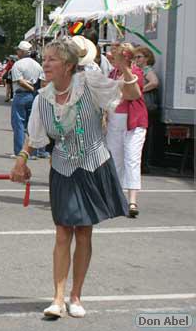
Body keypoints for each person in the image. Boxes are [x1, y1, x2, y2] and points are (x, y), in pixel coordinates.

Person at [10, 38, 141, 319]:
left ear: (68, 65)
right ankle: (57, 298)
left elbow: (131, 94)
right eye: (44, 59)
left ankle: (76, 296)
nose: (45, 64)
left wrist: (124, 68)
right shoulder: (41, 99)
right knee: (62, 232)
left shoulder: (89, 83)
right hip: (62, 168)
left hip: (93, 165)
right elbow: (33, 137)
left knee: (83, 231)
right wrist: (21, 160)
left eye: (52, 59)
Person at [106, 42, 147, 218]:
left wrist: (125, 68)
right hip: (115, 121)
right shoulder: (112, 73)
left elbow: (133, 94)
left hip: (134, 122)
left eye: (114, 55)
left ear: (125, 57)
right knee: (114, 159)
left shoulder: (135, 72)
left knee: (132, 158)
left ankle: (132, 201)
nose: (111, 56)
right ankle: (115, 198)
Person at [10, 41, 44, 158]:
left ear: (22, 52)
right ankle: (32, 152)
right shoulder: (37, 65)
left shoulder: (18, 65)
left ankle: (20, 151)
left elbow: (19, 81)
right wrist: (34, 90)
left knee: (19, 124)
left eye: (18, 50)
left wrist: (31, 89)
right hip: (33, 97)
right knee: (32, 125)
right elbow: (41, 81)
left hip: (21, 95)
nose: (17, 52)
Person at [134, 46, 160, 173]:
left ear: (147, 58)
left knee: (144, 137)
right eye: (136, 57)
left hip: (147, 108)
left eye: (139, 57)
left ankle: (143, 164)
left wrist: (139, 90)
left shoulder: (147, 70)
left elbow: (154, 82)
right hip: (144, 108)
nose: (136, 59)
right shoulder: (140, 70)